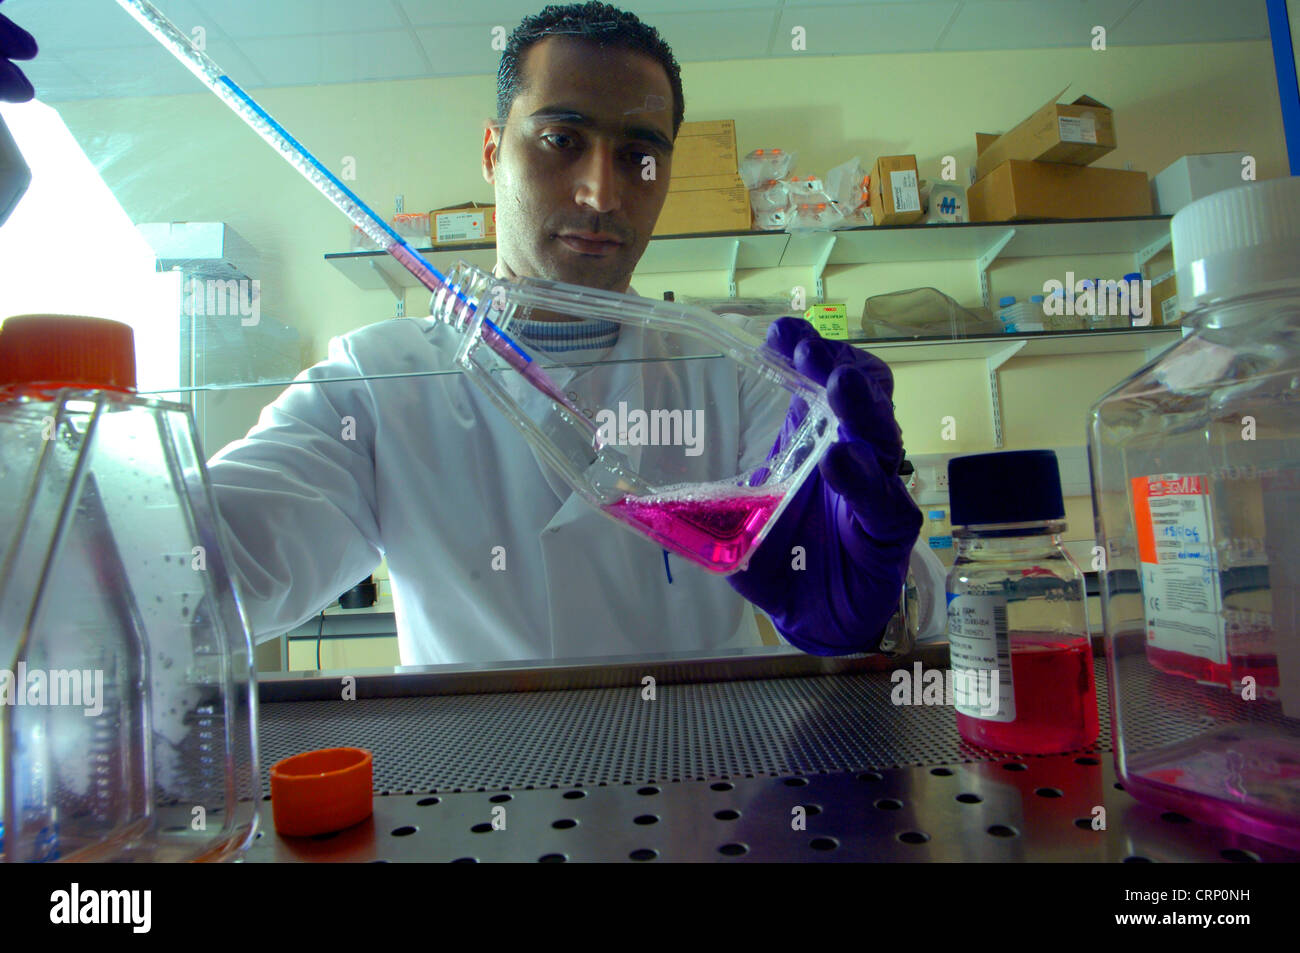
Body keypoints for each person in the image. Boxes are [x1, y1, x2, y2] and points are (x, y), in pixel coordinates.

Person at [17, 2, 948, 663]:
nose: (600, 191)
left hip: (708, 797)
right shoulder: (375, 383)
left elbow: (919, 616)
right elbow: (175, 583)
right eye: (560, 138)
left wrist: (875, 613)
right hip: (474, 799)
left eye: (639, 154)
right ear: (492, 151)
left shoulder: (733, 374)